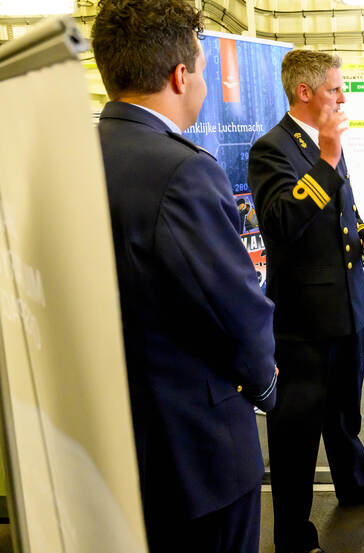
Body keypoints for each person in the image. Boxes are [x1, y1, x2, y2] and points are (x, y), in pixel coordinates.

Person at [91, 2, 278, 552]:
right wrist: (267, 385)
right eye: (200, 69)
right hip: (198, 453)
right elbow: (234, 308)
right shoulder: (183, 169)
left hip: (115, 441)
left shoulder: (79, 155)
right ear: (181, 76)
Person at [248, 49, 364, 553]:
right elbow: (282, 225)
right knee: (295, 435)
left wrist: (362, 236)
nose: (343, 98)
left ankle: (354, 484)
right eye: (336, 89)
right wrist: (328, 159)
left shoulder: (323, 144)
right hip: (303, 320)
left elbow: (342, 210)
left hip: (347, 307)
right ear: (305, 92)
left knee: (344, 413)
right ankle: (293, 535)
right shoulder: (271, 148)